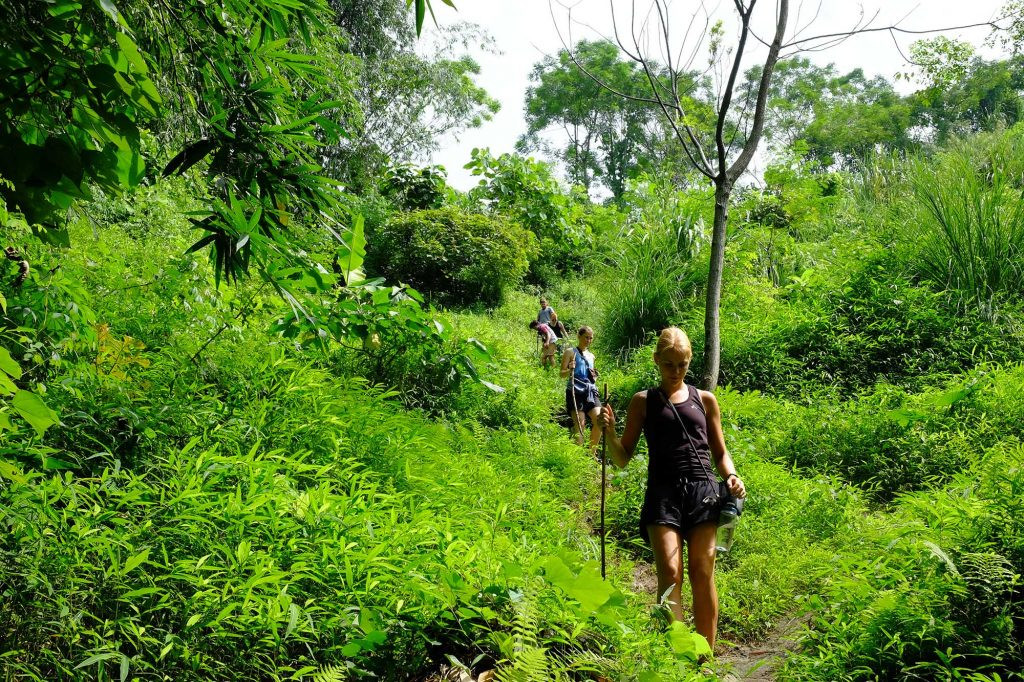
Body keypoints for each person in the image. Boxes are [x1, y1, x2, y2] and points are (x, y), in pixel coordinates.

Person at [599, 327, 745, 653]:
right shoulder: (643, 402)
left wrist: (732, 476)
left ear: (689, 361)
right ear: (656, 361)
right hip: (662, 492)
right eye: (669, 364)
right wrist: (608, 433)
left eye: (682, 364)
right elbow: (622, 457)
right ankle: (679, 654)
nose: (676, 371)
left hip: (703, 491)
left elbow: (719, 453)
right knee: (669, 572)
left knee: (702, 571)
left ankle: (704, 656)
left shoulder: (705, 400)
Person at [560, 326, 601, 450]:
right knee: (580, 424)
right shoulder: (570, 352)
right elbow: (561, 373)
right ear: (579, 336)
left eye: (590, 338)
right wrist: (570, 370)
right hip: (575, 391)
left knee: (600, 422)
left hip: (590, 392)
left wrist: (595, 376)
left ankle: (591, 454)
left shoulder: (592, 356)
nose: (588, 340)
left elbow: (591, 375)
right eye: (586, 337)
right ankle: (579, 458)